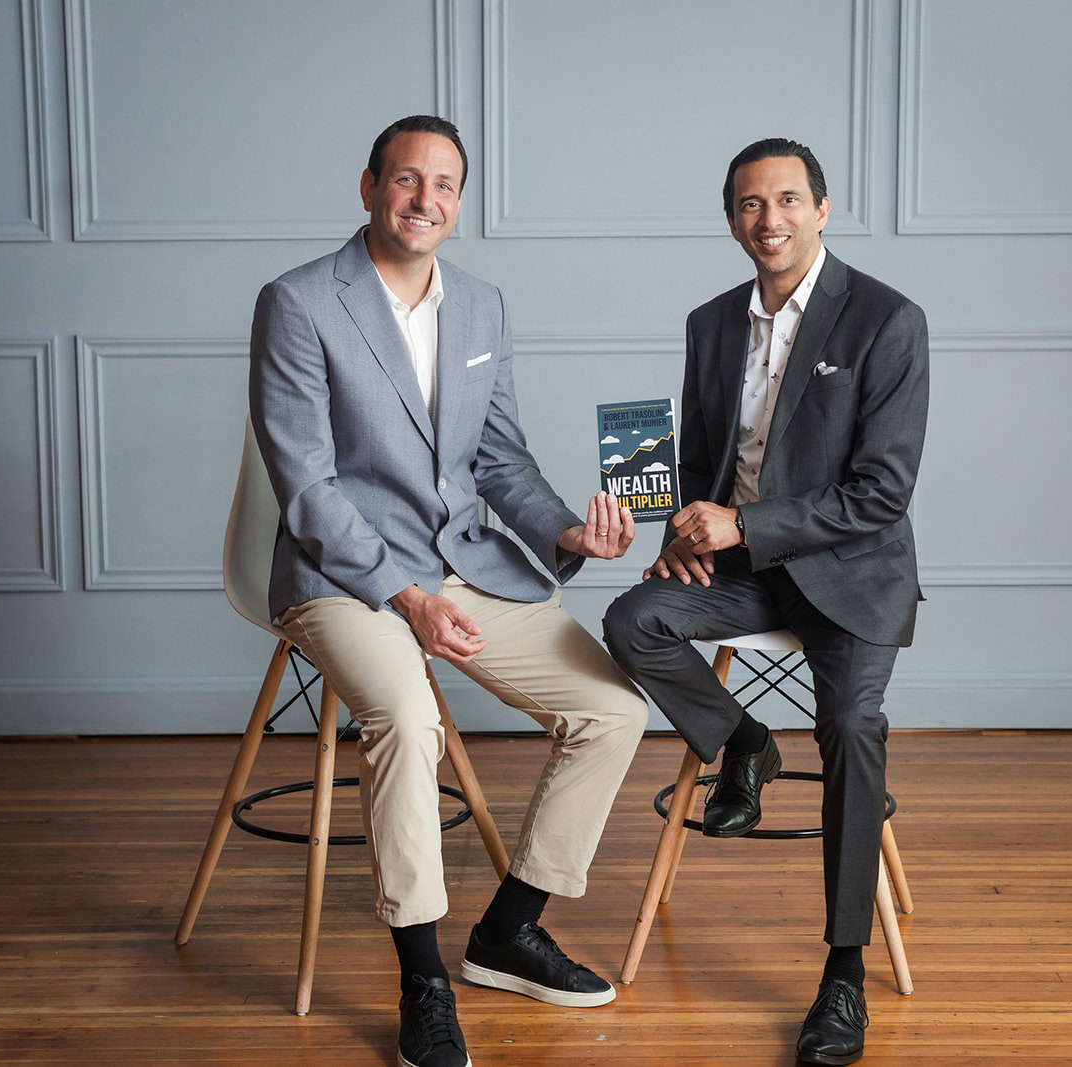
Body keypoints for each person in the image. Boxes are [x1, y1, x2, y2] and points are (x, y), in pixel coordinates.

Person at [250, 114, 648, 1067]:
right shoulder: (299, 302)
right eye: (406, 180)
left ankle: (509, 929)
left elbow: (499, 457)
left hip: (467, 565)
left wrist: (563, 529)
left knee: (612, 708)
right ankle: (422, 980)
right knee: (403, 715)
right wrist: (405, 597)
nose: (425, 200)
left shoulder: (480, 304)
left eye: (445, 186)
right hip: (347, 578)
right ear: (368, 187)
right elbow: (307, 486)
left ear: (460, 202)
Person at [602, 137, 928, 1066]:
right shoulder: (712, 322)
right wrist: (676, 532)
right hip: (740, 568)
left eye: (788, 199)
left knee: (854, 729)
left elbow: (881, 493)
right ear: (731, 219)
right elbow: (703, 457)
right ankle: (744, 741)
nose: (769, 219)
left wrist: (744, 528)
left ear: (823, 209)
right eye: (750, 204)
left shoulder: (887, 321)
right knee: (634, 621)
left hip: (850, 571)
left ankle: (843, 971)